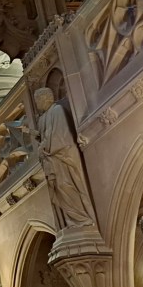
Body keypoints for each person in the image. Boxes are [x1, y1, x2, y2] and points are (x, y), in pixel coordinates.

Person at [33, 88, 98, 229]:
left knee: (67, 185)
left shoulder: (57, 111)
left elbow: (61, 137)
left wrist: (45, 147)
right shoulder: (44, 117)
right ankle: (73, 221)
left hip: (63, 156)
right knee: (60, 189)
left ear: (45, 98)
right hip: (53, 159)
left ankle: (82, 218)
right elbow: (48, 137)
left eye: (37, 100)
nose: (36, 104)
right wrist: (41, 140)